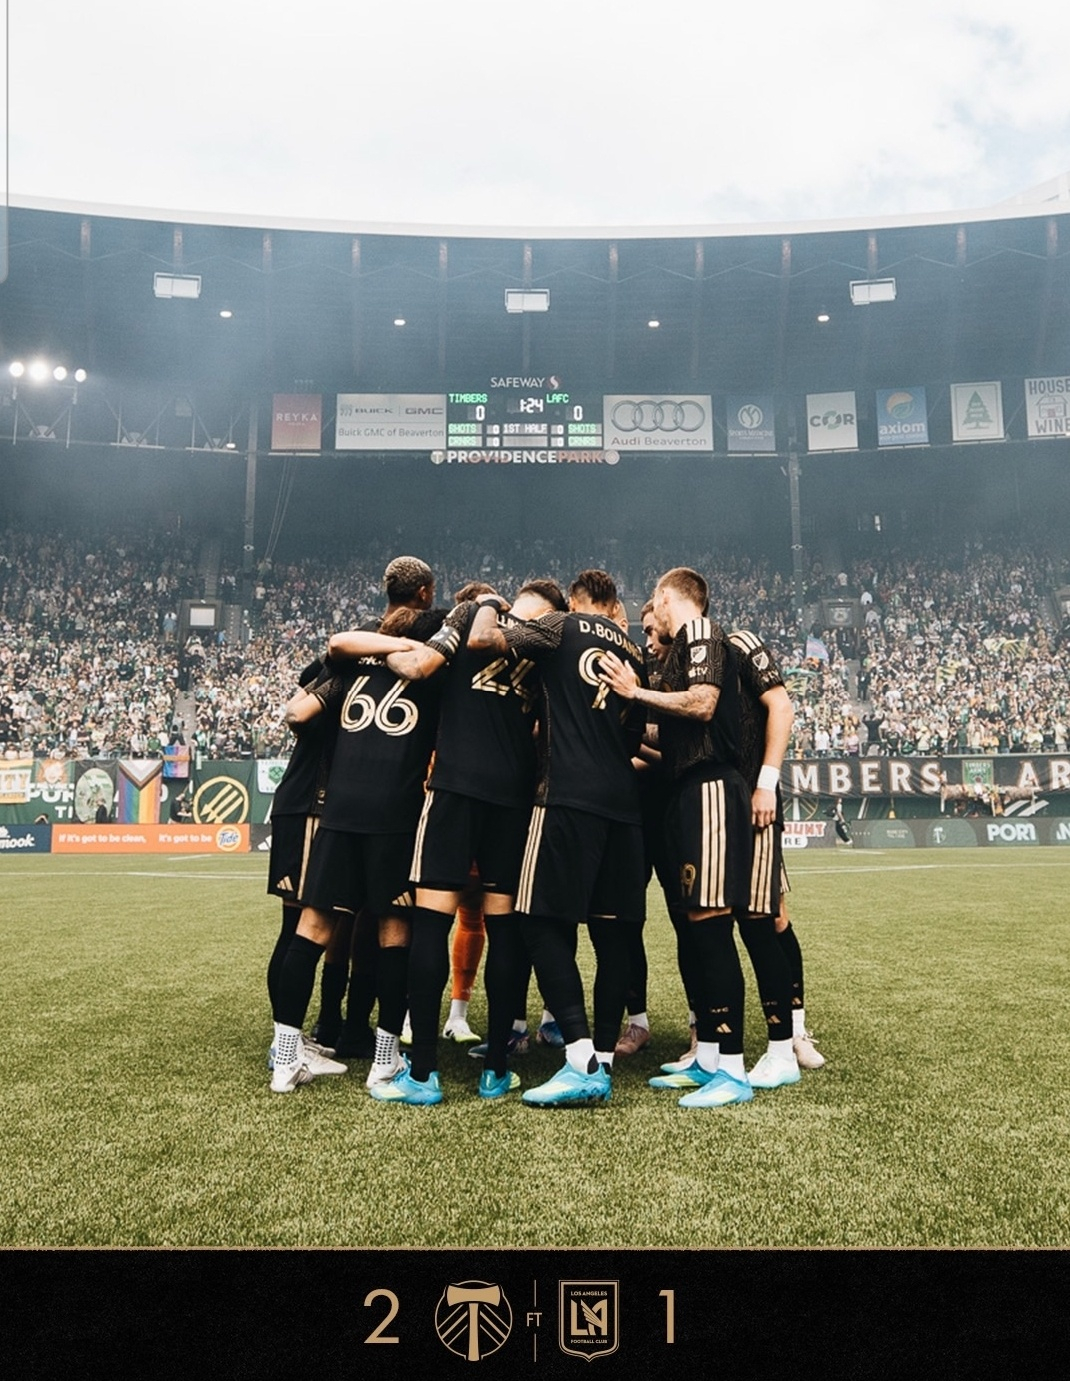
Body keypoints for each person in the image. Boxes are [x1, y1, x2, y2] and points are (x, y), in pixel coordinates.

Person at [330, 577, 568, 1105]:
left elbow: (418, 668)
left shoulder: (465, 625)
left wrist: (399, 650)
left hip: (454, 790)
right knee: (505, 934)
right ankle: (497, 1070)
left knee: (432, 925)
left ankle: (424, 1074)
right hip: (512, 798)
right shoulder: (545, 645)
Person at [467, 570, 648, 1108]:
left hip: (566, 795)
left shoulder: (559, 626)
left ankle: (580, 1059)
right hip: (623, 806)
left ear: (573, 600)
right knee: (613, 933)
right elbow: (634, 734)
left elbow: (485, 640)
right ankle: (605, 1059)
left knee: (536, 921)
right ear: (614, 603)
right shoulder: (633, 654)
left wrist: (489, 603)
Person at [268, 556, 443, 1094]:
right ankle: (384, 1059)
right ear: (425, 596)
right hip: (394, 811)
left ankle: (286, 1058)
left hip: (338, 808)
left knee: (311, 929)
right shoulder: (435, 642)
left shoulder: (351, 654)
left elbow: (328, 661)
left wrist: (378, 644)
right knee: (394, 931)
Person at [599, 566, 752, 1109]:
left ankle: (731, 1069)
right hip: (686, 791)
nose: (652, 618)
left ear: (668, 598)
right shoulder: (680, 648)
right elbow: (669, 726)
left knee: (710, 927)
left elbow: (703, 704)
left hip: (711, 788)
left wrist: (636, 692)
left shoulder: (703, 634)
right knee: (694, 925)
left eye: (654, 606)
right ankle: (708, 1056)